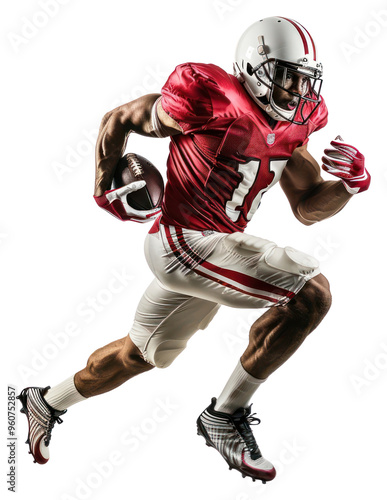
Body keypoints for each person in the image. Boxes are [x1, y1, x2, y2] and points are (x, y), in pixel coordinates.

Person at [17, 16, 370, 483]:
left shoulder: (292, 126)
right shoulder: (208, 97)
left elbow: (307, 207)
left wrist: (350, 185)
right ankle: (225, 414)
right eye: (287, 76)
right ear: (255, 67)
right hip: (184, 241)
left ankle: (45, 400)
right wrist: (104, 180)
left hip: (212, 254)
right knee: (310, 294)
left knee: (140, 355)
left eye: (304, 79)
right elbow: (119, 118)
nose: (297, 91)